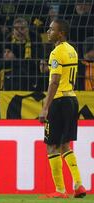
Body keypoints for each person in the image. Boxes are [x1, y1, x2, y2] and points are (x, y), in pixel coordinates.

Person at [38, 19, 86, 199]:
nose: (48, 31)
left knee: (52, 146)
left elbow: (55, 81)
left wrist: (45, 107)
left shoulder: (56, 52)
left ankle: (60, 190)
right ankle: (78, 184)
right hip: (72, 100)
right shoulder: (72, 50)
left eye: (52, 29)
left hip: (58, 102)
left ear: (61, 33)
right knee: (65, 145)